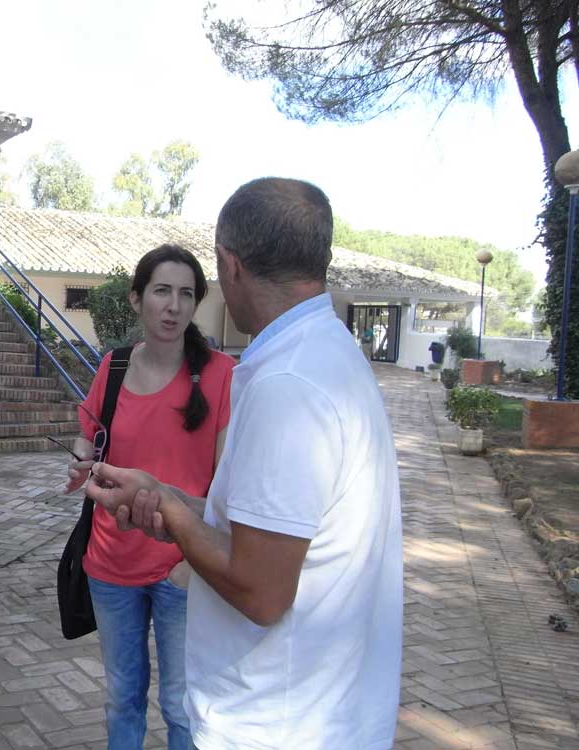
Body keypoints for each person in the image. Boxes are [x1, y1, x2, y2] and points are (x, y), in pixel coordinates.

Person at [85, 179, 403, 750]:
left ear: (230, 265)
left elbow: (260, 590)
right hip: (320, 711)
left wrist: (171, 516)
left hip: (273, 723)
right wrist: (170, 496)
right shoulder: (327, 354)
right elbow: (268, 526)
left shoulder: (287, 385)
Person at [64, 244, 235, 750]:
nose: (174, 306)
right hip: (110, 563)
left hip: (185, 567)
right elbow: (89, 432)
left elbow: (228, 483)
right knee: (123, 698)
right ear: (138, 299)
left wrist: (190, 562)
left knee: (184, 705)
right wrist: (79, 458)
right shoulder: (113, 367)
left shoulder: (223, 374)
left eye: (187, 294)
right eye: (162, 291)